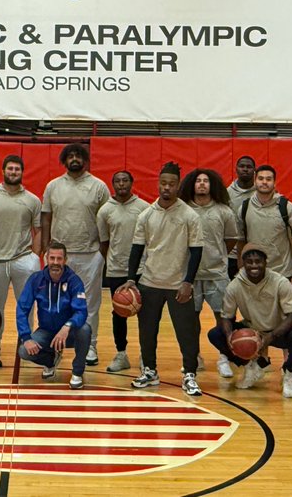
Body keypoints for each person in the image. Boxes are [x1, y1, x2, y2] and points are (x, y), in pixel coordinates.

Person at [123, 162, 205, 396]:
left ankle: (189, 374)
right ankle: (149, 370)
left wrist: (188, 281)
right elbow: (137, 249)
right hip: (149, 283)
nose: (167, 187)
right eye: (163, 183)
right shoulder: (146, 215)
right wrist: (131, 279)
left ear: (178, 185)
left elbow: (196, 251)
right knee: (147, 330)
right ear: (158, 184)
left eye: (171, 184)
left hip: (178, 284)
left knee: (186, 331)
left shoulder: (189, 215)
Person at [41, 143, 110, 365]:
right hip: (60, 257)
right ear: (64, 160)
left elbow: (108, 218)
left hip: (90, 253)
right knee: (57, 304)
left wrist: (102, 251)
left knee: (90, 303)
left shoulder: (98, 187)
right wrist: (45, 248)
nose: (74, 159)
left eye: (78, 156)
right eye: (70, 156)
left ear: (85, 159)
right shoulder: (53, 186)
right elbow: (46, 218)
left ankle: (90, 345)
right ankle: (56, 347)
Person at [207, 244, 292, 398]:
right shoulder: (235, 285)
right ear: (243, 263)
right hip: (252, 330)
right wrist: (229, 337)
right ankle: (251, 366)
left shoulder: (280, 282)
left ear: (265, 262)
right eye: (249, 262)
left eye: (258, 261)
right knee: (216, 334)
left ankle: (289, 372)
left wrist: (271, 336)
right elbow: (226, 317)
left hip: (277, 331)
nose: (254, 265)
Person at [0, 154, 42, 356]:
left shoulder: (32, 200)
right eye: (10, 169)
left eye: (17, 169)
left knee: (27, 306)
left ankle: (26, 343)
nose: (13, 172)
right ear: (3, 171)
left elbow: (38, 230)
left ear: (22, 172)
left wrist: (35, 256)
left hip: (23, 259)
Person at [180, 167, 241, 379]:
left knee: (224, 318)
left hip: (217, 274)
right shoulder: (184, 209)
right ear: (192, 185)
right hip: (191, 276)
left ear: (212, 184)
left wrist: (217, 254)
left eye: (206, 180)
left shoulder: (223, 211)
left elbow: (231, 239)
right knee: (190, 320)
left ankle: (224, 357)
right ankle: (194, 357)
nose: (202, 184)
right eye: (198, 181)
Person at [16, 243, 92, 389]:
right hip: (47, 332)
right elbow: (22, 309)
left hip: (69, 333)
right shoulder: (36, 279)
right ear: (46, 258)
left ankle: (77, 372)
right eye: (52, 258)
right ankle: (50, 360)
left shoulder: (74, 281)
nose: (55, 263)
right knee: (24, 351)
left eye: (59, 258)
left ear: (65, 260)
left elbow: (81, 311)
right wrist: (26, 337)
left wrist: (67, 326)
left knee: (85, 330)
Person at [96, 170, 147, 373]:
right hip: (116, 269)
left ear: (132, 183)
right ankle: (121, 354)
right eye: (117, 181)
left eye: (125, 180)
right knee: (119, 312)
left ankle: (146, 354)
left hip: (142, 270)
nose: (122, 184)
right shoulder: (105, 210)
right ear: (113, 184)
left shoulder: (144, 208)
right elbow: (104, 242)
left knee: (146, 315)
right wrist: (112, 262)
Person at [237, 165, 292, 289]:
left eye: (268, 179)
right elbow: (241, 242)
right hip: (254, 273)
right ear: (255, 181)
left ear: (274, 182)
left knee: (284, 309)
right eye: (261, 178)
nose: (264, 182)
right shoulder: (244, 208)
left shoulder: (287, 208)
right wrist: (241, 269)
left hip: (283, 273)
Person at [226, 156, 257, 280]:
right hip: (232, 256)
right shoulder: (226, 194)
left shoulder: (262, 193)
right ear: (236, 169)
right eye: (242, 166)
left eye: (249, 167)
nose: (245, 169)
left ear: (254, 170)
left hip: (256, 253)